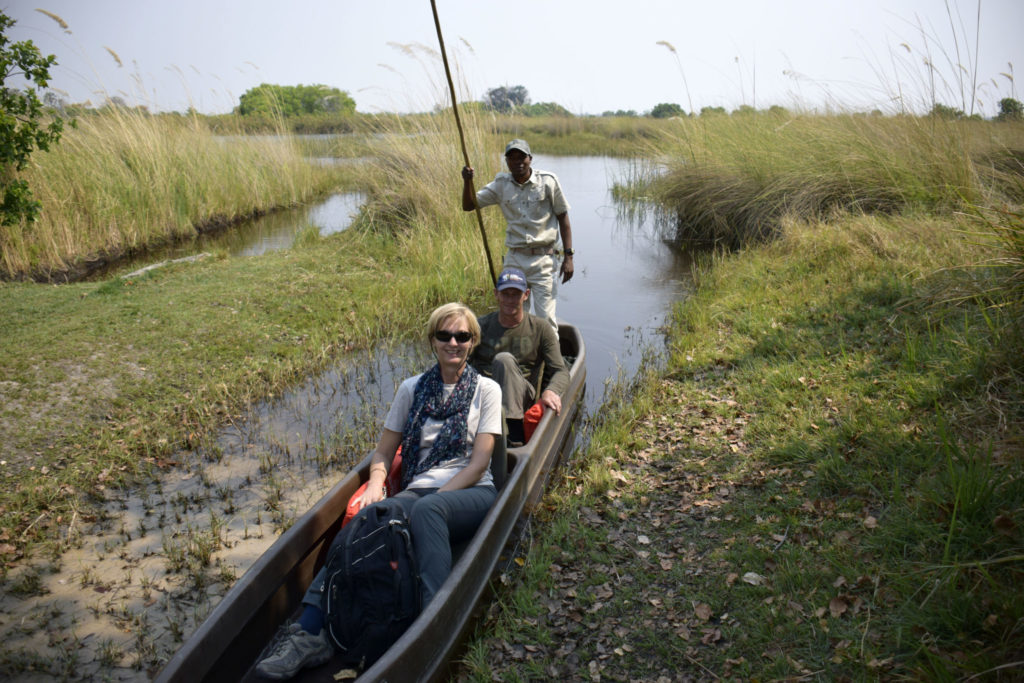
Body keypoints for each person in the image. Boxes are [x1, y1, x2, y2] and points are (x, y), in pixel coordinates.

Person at [256, 303, 502, 680]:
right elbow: (384, 453)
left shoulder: (487, 390)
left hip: (470, 491)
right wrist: (374, 484)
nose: (453, 342)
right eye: (445, 335)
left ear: (473, 342)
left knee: (426, 512)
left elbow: (480, 463)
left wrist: (436, 497)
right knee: (364, 523)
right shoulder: (411, 389)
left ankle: (429, 622)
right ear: (432, 341)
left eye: (462, 336)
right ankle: (307, 632)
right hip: (418, 492)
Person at [462, 138, 575, 333]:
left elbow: (563, 217)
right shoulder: (500, 185)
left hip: (543, 259)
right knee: (513, 316)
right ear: (507, 162)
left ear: (530, 159)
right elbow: (469, 205)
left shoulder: (548, 181)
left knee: (546, 320)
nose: (518, 162)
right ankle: (518, 359)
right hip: (515, 259)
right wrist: (467, 182)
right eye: (512, 158)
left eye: (521, 157)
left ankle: (550, 362)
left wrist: (569, 256)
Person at [470, 267, 569, 446]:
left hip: (521, 395)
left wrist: (551, 390)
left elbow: (560, 370)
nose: (510, 300)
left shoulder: (540, 328)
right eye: (505, 294)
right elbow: (461, 364)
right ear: (496, 294)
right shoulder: (480, 326)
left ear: (526, 295)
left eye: (515, 294)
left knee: (504, 361)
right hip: (485, 395)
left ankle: (513, 438)